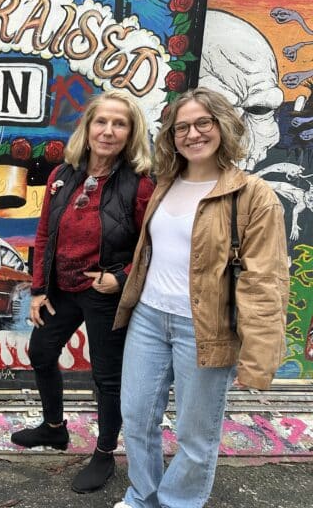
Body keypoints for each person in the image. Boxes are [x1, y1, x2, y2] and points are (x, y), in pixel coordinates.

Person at [113, 88, 289, 508]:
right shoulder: (165, 184)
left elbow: (265, 279)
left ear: (223, 126)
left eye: (202, 123)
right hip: (150, 319)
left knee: (196, 435)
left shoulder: (252, 195)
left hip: (206, 329)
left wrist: (259, 356)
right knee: (137, 420)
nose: (192, 134)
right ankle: (143, 498)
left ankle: (178, 504)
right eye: (182, 127)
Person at [11, 90, 155, 493]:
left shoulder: (140, 185)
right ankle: (54, 428)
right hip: (62, 287)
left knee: (107, 377)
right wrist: (38, 290)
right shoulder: (62, 175)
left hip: (103, 291)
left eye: (119, 123)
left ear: (130, 133)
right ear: (88, 127)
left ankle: (105, 453)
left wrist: (122, 278)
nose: (108, 131)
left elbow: (152, 244)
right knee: (40, 351)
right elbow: (44, 234)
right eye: (101, 122)